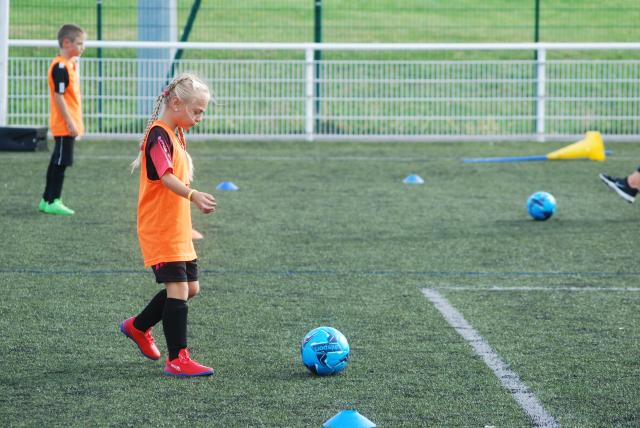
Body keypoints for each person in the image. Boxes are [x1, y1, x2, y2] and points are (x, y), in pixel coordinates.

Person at [120, 73, 217, 377]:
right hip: (159, 229)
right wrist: (194, 194)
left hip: (176, 229)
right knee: (177, 289)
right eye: (196, 111)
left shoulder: (175, 133)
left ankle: (138, 326)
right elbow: (166, 177)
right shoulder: (158, 134)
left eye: (202, 112)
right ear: (176, 103)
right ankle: (178, 359)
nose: (200, 118)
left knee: (190, 289)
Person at [38, 24, 86, 215]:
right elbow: (58, 97)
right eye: (80, 43)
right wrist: (70, 122)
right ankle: (53, 200)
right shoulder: (60, 66)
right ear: (66, 43)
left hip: (68, 124)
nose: (83, 47)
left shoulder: (70, 64)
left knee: (57, 161)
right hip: (65, 125)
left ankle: (46, 199)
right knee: (60, 163)